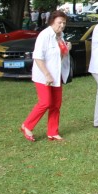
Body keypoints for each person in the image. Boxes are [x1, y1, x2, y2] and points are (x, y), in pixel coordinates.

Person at [21, 11, 72, 142]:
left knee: (56, 104)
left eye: (64, 23)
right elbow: (37, 57)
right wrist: (47, 74)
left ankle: (53, 132)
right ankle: (27, 125)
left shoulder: (61, 36)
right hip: (43, 75)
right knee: (45, 102)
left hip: (57, 74)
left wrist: (67, 49)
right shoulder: (44, 35)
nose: (62, 25)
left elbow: (59, 57)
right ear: (52, 22)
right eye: (59, 22)